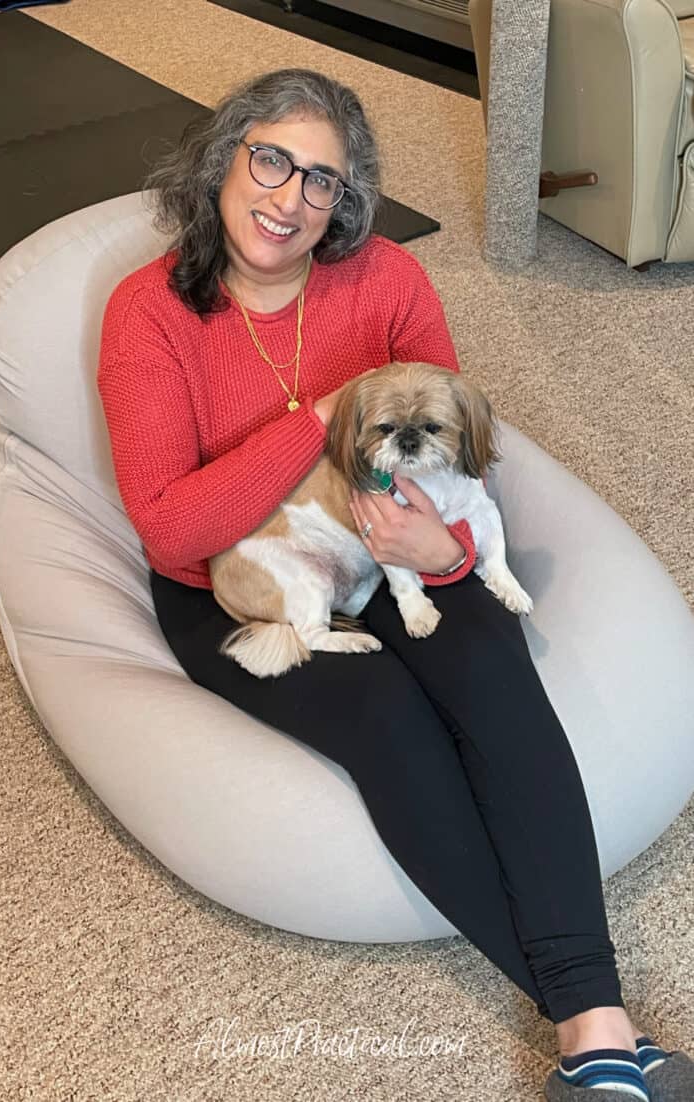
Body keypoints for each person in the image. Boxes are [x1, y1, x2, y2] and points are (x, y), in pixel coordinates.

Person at [97, 68, 691, 1102]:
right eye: (270, 159)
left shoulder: (386, 282)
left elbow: (462, 449)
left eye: (321, 180)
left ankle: (596, 1042)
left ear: (348, 198)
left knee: (496, 684)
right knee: (390, 717)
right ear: (224, 158)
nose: (289, 199)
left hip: (401, 537)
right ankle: (598, 1029)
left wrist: (446, 555)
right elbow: (171, 522)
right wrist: (322, 416)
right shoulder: (146, 313)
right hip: (237, 579)